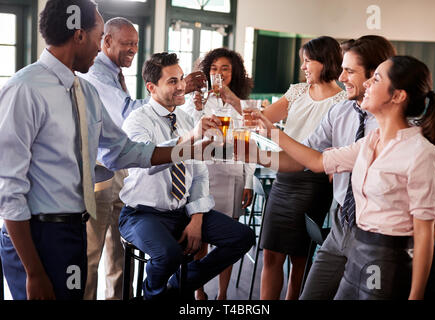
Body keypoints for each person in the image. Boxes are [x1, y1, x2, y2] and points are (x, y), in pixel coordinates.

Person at [0, 0, 201, 300]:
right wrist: (34, 272)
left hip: (72, 231)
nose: (99, 46)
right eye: (98, 35)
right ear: (79, 35)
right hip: (36, 237)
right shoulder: (24, 90)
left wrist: (183, 148)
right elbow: (8, 188)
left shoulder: (86, 93)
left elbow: (122, 151)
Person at [253, 55, 435, 299]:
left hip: (386, 260)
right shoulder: (369, 143)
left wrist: (415, 296)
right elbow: (317, 161)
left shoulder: (421, 154)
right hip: (356, 251)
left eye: (376, 79)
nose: (367, 84)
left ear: (397, 96)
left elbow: (424, 234)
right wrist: (269, 133)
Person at [242, 35, 396, 299]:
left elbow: (316, 162)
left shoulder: (388, 127)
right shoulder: (341, 113)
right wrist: (253, 155)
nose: (342, 77)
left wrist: (273, 135)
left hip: (377, 233)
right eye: (342, 69)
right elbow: (303, 159)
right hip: (341, 223)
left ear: (375, 75)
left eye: (349, 71)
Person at [78, 17, 206, 300]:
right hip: (100, 171)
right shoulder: (96, 74)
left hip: (122, 167)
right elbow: (128, 113)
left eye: (135, 43)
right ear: (106, 41)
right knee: (91, 252)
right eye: (127, 43)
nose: (133, 49)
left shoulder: (114, 73)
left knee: (118, 252)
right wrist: (181, 89)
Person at [118, 52, 256, 301]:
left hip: (181, 211)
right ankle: (154, 294)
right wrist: (189, 138)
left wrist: (197, 216)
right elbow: (148, 161)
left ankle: (178, 286)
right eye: (172, 81)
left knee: (243, 236)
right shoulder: (137, 121)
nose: (182, 85)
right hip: (142, 213)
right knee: (168, 254)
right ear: (152, 87)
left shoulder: (184, 118)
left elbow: (199, 174)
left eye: (181, 78)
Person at [221, 36, 346, 299]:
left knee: (300, 260)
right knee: (270, 254)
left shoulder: (342, 103)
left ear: (326, 62)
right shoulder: (297, 91)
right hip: (283, 180)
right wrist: (234, 102)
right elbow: (262, 118)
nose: (304, 66)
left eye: (308, 61)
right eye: (303, 61)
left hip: (314, 183)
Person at [181, 47, 255, 300]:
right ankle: (199, 291)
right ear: (207, 72)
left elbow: (249, 145)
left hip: (233, 173)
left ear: (234, 73)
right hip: (205, 172)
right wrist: (197, 108)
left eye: (225, 69)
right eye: (214, 69)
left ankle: (222, 294)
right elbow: (189, 137)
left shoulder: (242, 104)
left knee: (230, 239)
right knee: (200, 236)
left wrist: (249, 181)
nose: (219, 74)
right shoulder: (198, 101)